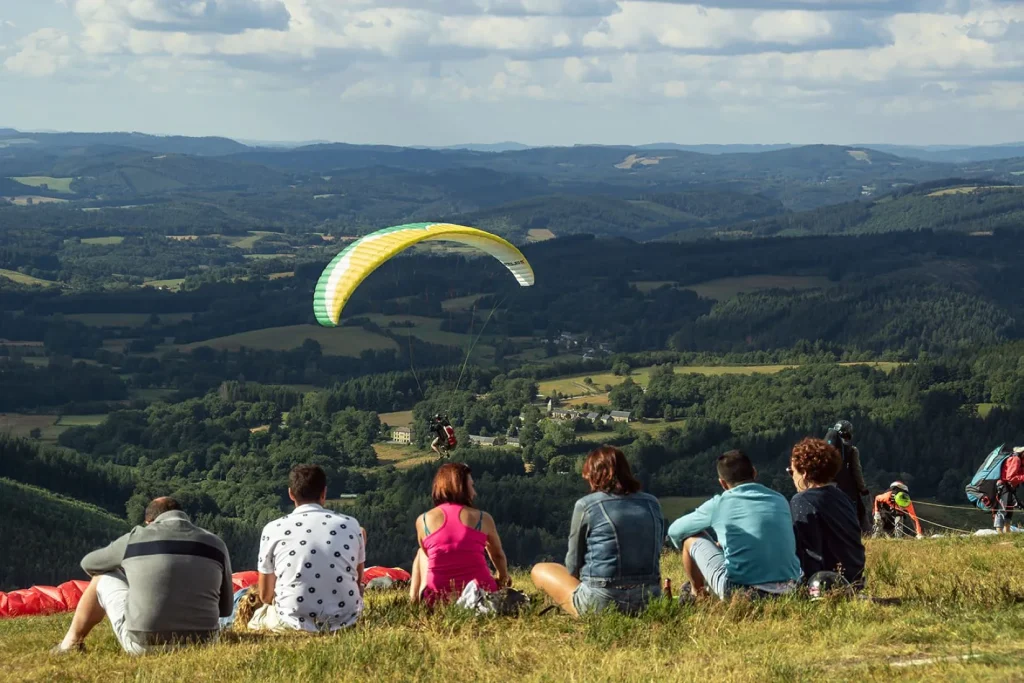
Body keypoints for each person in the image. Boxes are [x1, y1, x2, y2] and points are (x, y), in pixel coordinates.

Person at [52, 497, 233, 655]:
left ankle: (70, 643)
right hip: (205, 643)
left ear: (149, 521)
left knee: (101, 577)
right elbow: (226, 610)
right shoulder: (217, 544)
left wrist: (132, 569)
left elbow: (89, 563)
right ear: (184, 516)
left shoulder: (135, 538)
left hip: (143, 645)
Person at [531, 446, 664, 616]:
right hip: (650, 600)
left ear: (594, 475)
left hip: (602, 601)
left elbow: (573, 565)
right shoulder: (652, 503)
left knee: (540, 569)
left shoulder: (586, 505)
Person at [667, 450, 801, 600]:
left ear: (722, 483)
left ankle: (698, 595)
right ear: (754, 472)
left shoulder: (720, 504)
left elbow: (675, 531)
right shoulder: (779, 499)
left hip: (740, 592)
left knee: (690, 538)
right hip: (790, 588)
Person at [250, 464, 365, 632]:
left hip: (291, 621)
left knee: (255, 618)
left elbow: (266, 596)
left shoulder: (272, 529)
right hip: (347, 619)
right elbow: (357, 581)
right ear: (324, 492)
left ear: (291, 494)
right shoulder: (352, 525)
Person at [409, 462, 510, 605]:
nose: (474, 492)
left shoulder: (423, 520)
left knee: (421, 553)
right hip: (481, 596)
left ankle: (413, 600)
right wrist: (503, 576)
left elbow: (428, 553)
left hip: (439, 601)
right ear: (462, 488)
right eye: (472, 486)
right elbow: (497, 554)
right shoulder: (482, 518)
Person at [788, 438, 865, 587]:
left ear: (804, 473)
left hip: (824, 582)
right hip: (853, 579)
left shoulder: (802, 500)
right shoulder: (842, 497)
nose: (792, 477)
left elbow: (808, 550)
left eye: (792, 471)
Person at [825, 420, 870, 534]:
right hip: (845, 488)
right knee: (859, 511)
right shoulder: (851, 450)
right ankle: (865, 534)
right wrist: (862, 488)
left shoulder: (824, 448)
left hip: (824, 486)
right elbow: (856, 471)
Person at [993, 447, 1024, 533]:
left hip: (1009, 487)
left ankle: (1007, 531)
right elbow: (1010, 477)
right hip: (1005, 486)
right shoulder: (1016, 460)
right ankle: (999, 532)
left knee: (1009, 509)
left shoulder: (1019, 460)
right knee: (1003, 508)